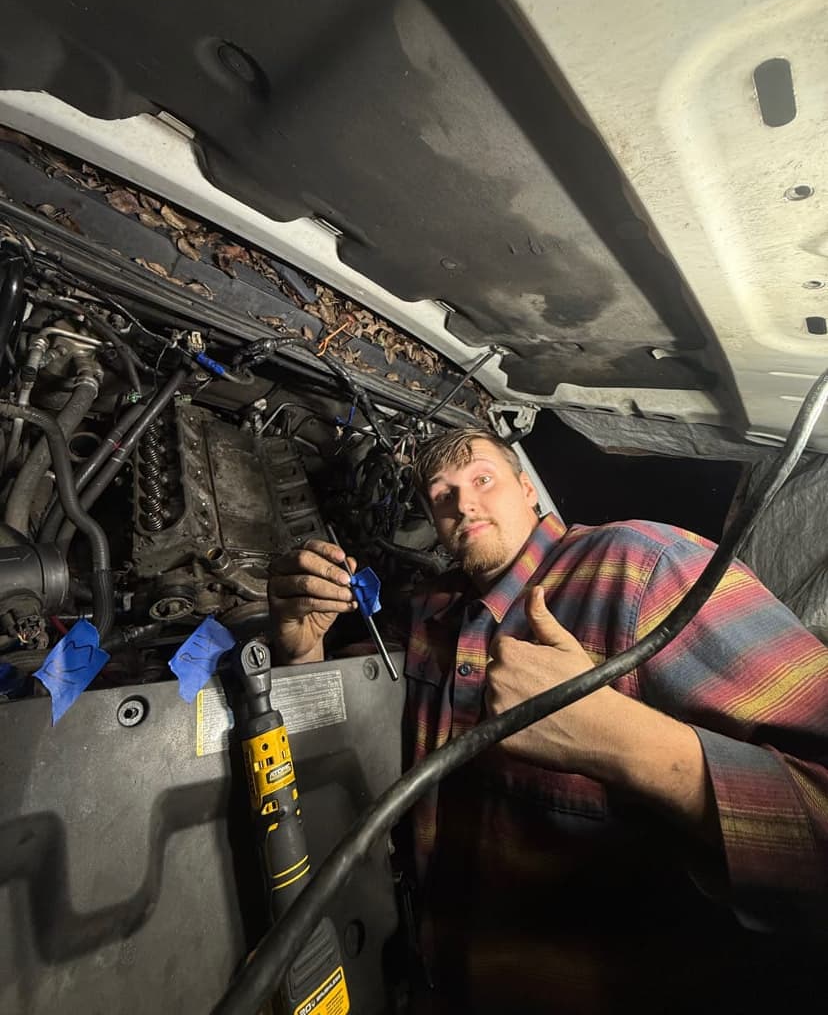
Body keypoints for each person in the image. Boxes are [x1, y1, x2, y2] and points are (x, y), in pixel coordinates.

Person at [268, 428, 828, 1013]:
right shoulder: (432, 611)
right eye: (442, 495)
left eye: (482, 478)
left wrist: (618, 739)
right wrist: (303, 651)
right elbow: (352, 722)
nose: (464, 504)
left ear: (528, 489)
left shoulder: (643, 566)